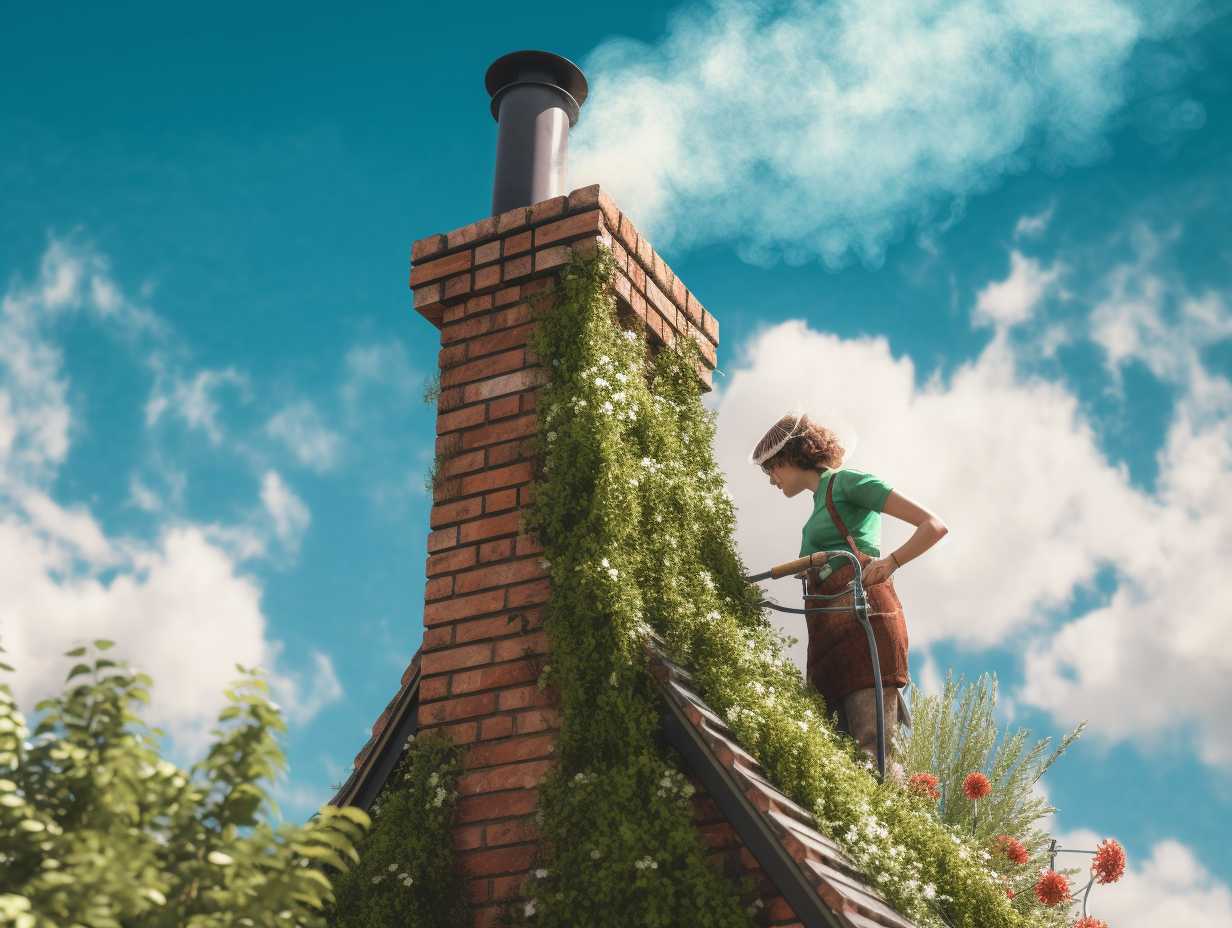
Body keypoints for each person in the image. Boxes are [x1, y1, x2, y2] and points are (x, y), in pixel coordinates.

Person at [749, 411, 947, 769]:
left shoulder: (849, 483)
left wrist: (892, 562)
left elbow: (932, 526)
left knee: (873, 753)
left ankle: (889, 820)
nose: (772, 480)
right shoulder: (816, 508)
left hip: (863, 625)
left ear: (792, 456)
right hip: (829, 639)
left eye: (772, 469)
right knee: (838, 757)